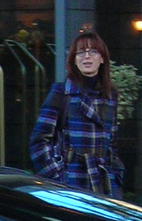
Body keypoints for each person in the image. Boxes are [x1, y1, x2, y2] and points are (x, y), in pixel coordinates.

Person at [29, 26, 125, 197]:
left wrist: (116, 174)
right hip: (70, 184)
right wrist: (57, 178)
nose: (86, 57)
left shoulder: (110, 96)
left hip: (104, 185)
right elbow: (39, 140)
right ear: (74, 60)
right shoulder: (61, 92)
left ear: (102, 58)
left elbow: (113, 143)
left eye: (93, 52)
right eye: (80, 53)